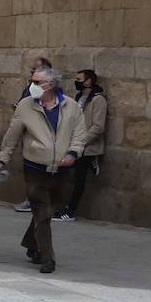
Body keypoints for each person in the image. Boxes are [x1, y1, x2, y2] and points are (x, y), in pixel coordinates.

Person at [0, 66, 87, 274]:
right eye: (31, 81)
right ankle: (47, 257)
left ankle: (31, 242)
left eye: (37, 82)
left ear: (50, 85)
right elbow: (12, 135)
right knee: (42, 210)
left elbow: (80, 134)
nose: (32, 86)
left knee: (52, 207)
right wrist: (2, 159)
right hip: (35, 167)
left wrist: (73, 153)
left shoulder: (71, 107)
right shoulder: (26, 106)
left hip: (63, 169)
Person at [58, 69, 108, 221]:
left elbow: (98, 127)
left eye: (79, 79)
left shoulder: (98, 100)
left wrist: (81, 141)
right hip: (74, 144)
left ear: (88, 81)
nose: (77, 81)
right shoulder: (79, 97)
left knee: (79, 178)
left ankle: (71, 211)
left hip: (86, 147)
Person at [13, 55, 54, 213]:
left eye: (35, 68)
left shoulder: (50, 90)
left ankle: (38, 200)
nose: (31, 70)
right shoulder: (29, 88)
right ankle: (32, 199)